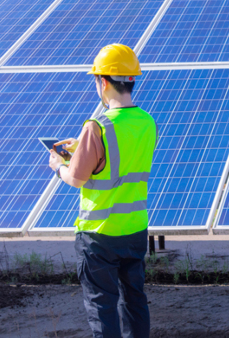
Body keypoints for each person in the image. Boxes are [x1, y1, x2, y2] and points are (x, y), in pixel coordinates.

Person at [48, 43, 156, 338]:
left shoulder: (97, 126)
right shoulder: (147, 122)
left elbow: (77, 178)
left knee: (102, 305)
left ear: (103, 81)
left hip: (99, 234)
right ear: (130, 81)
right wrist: (82, 147)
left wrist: (58, 164)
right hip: (134, 229)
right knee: (135, 300)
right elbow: (119, 164)